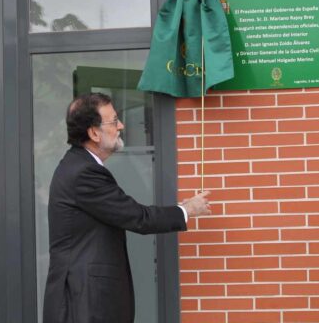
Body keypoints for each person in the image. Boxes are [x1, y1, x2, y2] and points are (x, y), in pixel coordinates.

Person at [42, 93, 211, 323]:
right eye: (113, 121)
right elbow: (137, 217)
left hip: (86, 299)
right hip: (84, 302)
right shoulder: (84, 173)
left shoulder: (80, 166)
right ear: (93, 133)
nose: (121, 125)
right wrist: (186, 210)